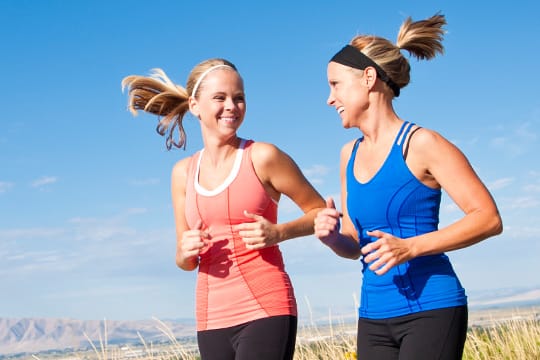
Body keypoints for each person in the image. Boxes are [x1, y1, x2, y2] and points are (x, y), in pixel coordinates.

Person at [313, 13, 503, 360]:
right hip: (372, 316)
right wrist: (332, 238)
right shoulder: (347, 155)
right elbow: (357, 244)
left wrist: (411, 248)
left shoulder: (421, 144)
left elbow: (488, 218)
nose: (329, 98)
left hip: (432, 308)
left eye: (335, 84)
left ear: (368, 78)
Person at [122, 59, 325, 360]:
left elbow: (321, 213)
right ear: (195, 105)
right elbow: (184, 260)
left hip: (265, 306)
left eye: (239, 97)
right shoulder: (182, 173)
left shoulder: (262, 156)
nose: (232, 106)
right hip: (211, 316)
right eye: (220, 98)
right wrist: (186, 250)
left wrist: (279, 232)